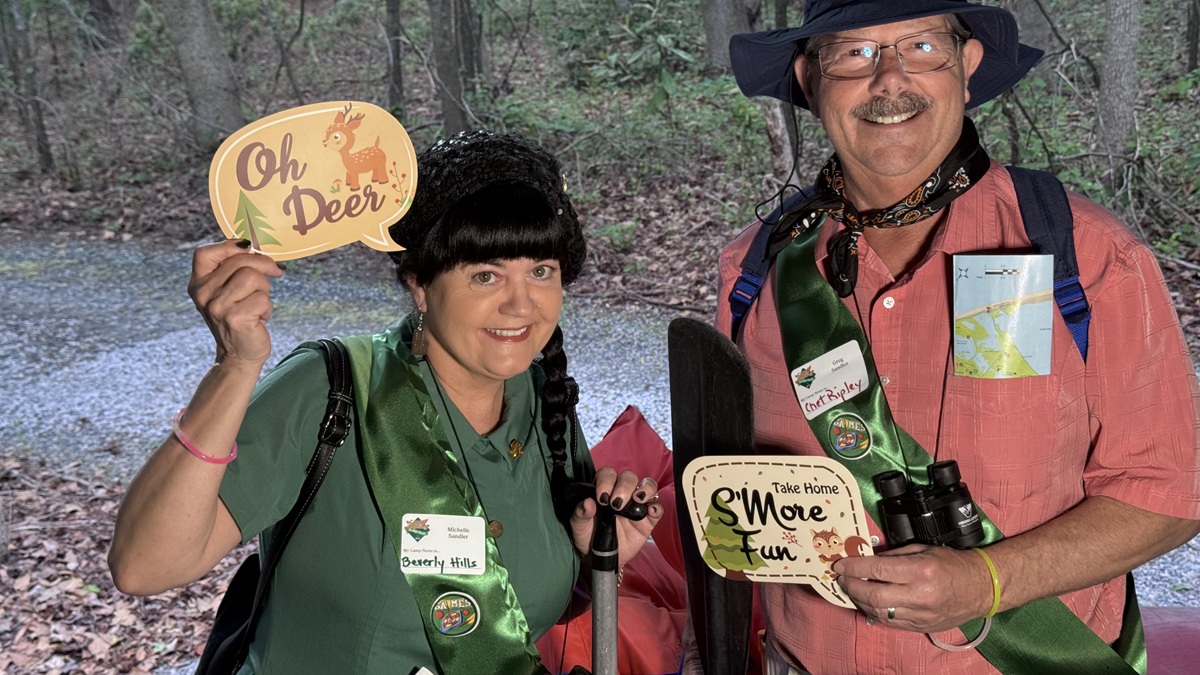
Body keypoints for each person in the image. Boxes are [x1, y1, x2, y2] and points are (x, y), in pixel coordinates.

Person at [689, 0, 1200, 673]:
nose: (889, 79)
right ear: (810, 81)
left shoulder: (1089, 258)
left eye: (922, 46)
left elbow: (1170, 492)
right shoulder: (756, 270)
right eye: (854, 53)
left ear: (968, 63)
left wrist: (987, 581)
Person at [108, 130, 665, 674]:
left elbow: (509, 619)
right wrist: (235, 363)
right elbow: (144, 567)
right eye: (486, 275)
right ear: (420, 285)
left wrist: (595, 557)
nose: (521, 304)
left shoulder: (544, 402)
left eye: (541, 271)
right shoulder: (330, 391)